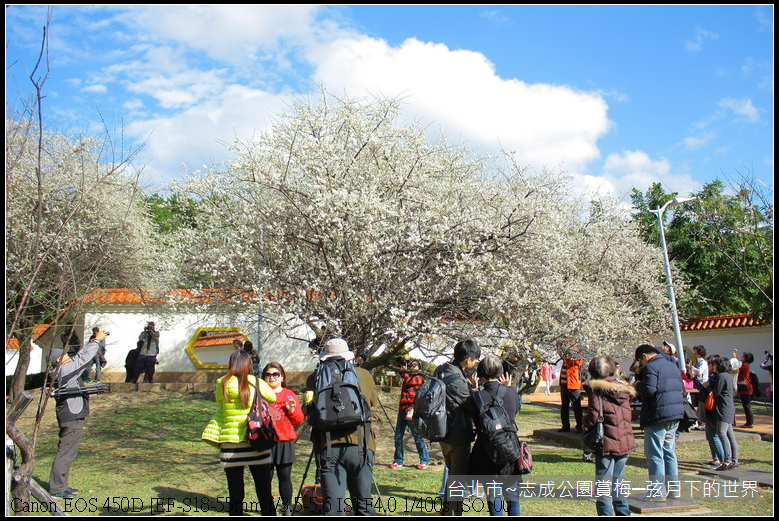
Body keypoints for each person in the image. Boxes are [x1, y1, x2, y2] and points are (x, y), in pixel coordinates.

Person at [305, 338, 379, 515]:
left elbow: (310, 409)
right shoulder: (363, 375)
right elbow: (371, 401)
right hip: (361, 444)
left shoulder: (314, 378)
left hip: (328, 446)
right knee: (363, 503)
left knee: (335, 507)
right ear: (348, 356)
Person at [201, 350, 277, 515]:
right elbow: (272, 397)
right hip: (256, 442)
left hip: (231, 444)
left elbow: (219, 401)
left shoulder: (222, 382)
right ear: (249, 364)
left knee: (235, 493)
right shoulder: (257, 382)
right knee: (264, 491)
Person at [49, 328, 106, 499]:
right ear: (59, 360)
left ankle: (62, 485)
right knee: (66, 453)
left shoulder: (61, 373)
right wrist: (96, 341)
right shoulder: (64, 371)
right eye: (65, 355)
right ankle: (57, 487)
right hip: (71, 418)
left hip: (71, 416)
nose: (68, 356)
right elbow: (83, 359)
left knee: (68, 452)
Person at [464, 355, 521, 516]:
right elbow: (513, 413)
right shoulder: (511, 392)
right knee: (512, 495)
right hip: (510, 448)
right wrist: (508, 389)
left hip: (487, 451)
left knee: (493, 496)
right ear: (500, 372)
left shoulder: (477, 397)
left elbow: (476, 420)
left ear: (480, 373)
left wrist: (476, 390)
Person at [583, 356, 636, 516]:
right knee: (618, 483)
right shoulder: (623, 389)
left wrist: (584, 423)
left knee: (603, 487)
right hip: (624, 440)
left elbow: (593, 416)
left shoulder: (597, 390)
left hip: (606, 441)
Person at [633, 344, 685, 499]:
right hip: (675, 413)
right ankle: (673, 490)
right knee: (669, 452)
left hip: (657, 414)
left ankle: (657, 492)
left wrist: (637, 385)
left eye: (640, 361)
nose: (641, 364)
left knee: (654, 453)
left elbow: (649, 389)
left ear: (644, 356)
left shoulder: (651, 367)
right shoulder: (672, 365)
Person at [436, 338, 481, 516]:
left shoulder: (442, 370)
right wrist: (475, 391)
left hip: (442, 430)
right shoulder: (458, 380)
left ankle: (447, 511)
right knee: (458, 476)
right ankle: (454, 512)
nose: (475, 363)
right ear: (468, 359)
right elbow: (472, 406)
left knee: (453, 473)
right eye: (475, 359)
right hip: (457, 433)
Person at [262, 362, 304, 516]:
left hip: (284, 440)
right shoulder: (259, 394)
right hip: (265, 441)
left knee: (284, 476)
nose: (271, 377)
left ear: (282, 377)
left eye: (275, 374)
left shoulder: (288, 394)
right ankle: (268, 509)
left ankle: (287, 508)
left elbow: (299, 419)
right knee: (265, 478)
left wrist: (292, 410)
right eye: (268, 374)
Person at [391, 359, 430, 470]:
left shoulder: (418, 378)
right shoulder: (407, 374)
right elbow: (397, 366)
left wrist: (405, 371)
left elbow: (408, 381)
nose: (412, 367)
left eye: (415, 366)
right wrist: (402, 361)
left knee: (417, 437)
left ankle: (424, 459)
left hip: (412, 411)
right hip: (402, 410)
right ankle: (398, 460)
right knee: (398, 436)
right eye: (411, 366)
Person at [707, 356, 739, 470]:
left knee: (721, 433)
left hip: (723, 409)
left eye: (715, 365)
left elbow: (716, 393)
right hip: (729, 408)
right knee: (730, 436)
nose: (713, 366)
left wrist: (708, 387)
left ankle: (727, 460)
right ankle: (734, 460)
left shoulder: (721, 376)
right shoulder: (728, 376)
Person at [558, 350, 584, 433]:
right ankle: (565, 426)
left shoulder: (576, 359)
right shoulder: (565, 359)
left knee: (576, 406)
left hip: (573, 385)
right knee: (564, 406)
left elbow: (577, 362)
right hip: (564, 384)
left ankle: (580, 426)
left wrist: (568, 357)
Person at [735, 351, 755, 428]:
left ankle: (749, 422)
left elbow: (737, 368)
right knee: (746, 405)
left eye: (743, 356)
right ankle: (749, 422)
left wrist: (735, 358)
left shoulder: (745, 365)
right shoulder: (745, 365)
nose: (742, 357)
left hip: (745, 387)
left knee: (747, 405)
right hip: (745, 387)